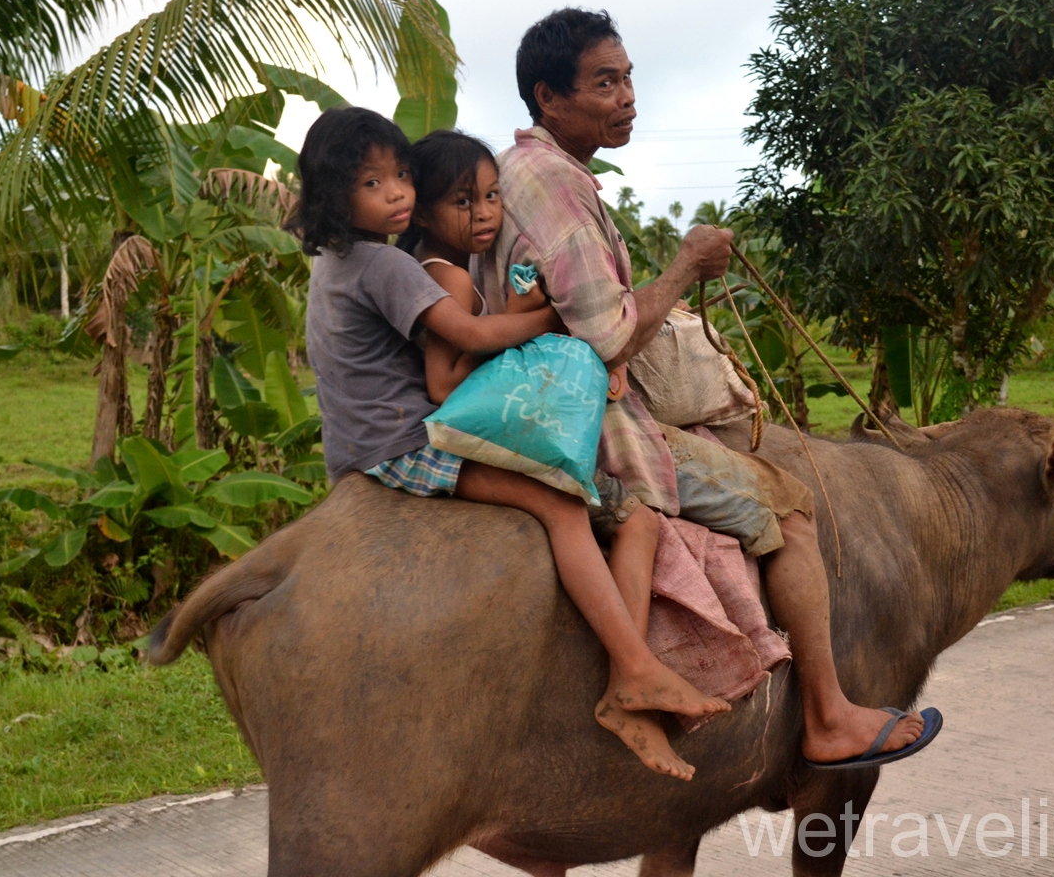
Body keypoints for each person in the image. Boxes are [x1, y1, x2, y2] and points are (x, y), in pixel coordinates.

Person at [479, 8, 933, 767]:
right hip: (587, 424)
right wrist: (687, 265)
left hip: (523, 403)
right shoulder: (556, 186)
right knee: (784, 506)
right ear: (548, 97)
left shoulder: (517, 171)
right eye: (604, 82)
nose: (627, 97)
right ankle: (825, 714)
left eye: (627, 79)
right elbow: (609, 334)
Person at [293, 108, 728, 780]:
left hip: (357, 443)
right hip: (401, 443)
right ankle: (635, 669)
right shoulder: (388, 265)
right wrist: (558, 316)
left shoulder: (337, 262)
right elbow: (460, 348)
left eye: (401, 175)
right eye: (373, 183)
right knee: (560, 504)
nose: (397, 193)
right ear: (332, 194)